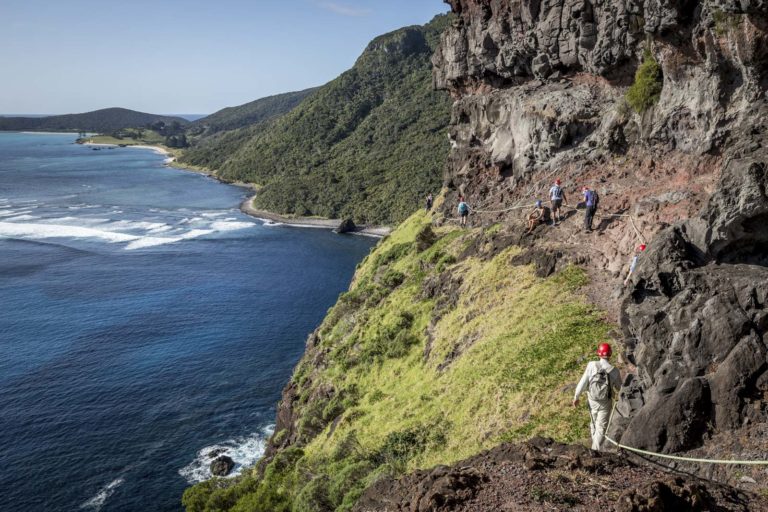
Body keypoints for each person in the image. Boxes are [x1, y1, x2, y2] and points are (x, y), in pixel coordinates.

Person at [572, 343, 621, 451]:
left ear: (599, 353)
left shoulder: (592, 365)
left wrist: (576, 396)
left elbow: (583, 382)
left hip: (592, 400)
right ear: (610, 354)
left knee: (593, 423)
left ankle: (594, 449)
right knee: (601, 429)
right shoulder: (614, 371)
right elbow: (619, 388)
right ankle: (595, 451)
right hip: (605, 403)